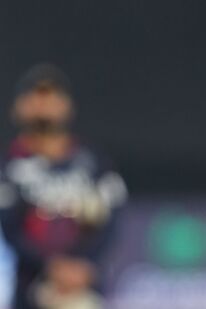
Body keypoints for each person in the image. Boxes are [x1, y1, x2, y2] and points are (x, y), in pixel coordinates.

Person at [0, 63, 127, 309]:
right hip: (31, 288)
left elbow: (112, 219)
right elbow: (11, 229)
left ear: (67, 105)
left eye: (50, 97)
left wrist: (85, 263)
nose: (43, 106)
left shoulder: (93, 162)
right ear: (19, 107)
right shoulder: (10, 166)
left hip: (83, 286)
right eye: (36, 97)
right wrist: (52, 266)